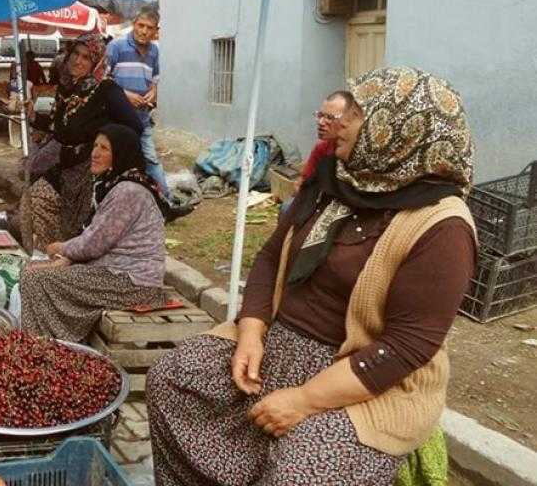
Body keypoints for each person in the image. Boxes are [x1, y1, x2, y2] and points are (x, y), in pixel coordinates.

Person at [146, 67, 477, 486]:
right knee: (172, 380)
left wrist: (304, 400)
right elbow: (269, 259)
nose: (337, 124)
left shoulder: (442, 227)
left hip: (361, 379)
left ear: (396, 130)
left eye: (355, 114)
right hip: (276, 343)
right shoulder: (336, 181)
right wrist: (250, 331)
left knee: (301, 469)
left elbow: (406, 348)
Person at [20, 124, 166, 341]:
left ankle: (46, 346)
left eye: (105, 148)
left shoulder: (128, 192)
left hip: (133, 283)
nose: (95, 153)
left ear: (121, 154)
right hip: (116, 273)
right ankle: (48, 341)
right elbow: (96, 237)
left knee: (34, 278)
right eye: (95, 146)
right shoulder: (116, 185)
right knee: (33, 271)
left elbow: (94, 244)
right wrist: (68, 258)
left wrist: (60, 248)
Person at [18, 33, 143, 253]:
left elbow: (135, 126)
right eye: (75, 53)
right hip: (66, 166)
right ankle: (43, 260)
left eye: (86, 57)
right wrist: (32, 115)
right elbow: (60, 129)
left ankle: (61, 264)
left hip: (89, 172)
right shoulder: (67, 88)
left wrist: (105, 144)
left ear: (96, 62)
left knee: (79, 227)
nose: (78, 60)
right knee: (32, 203)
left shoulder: (107, 90)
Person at [106, 7, 169, 199]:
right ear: (134, 24)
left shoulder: (154, 51)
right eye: (140, 25)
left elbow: (156, 78)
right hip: (117, 116)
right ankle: (111, 200)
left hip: (142, 117)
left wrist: (153, 92)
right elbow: (102, 78)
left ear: (156, 30)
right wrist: (124, 95)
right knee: (116, 158)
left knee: (150, 159)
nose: (144, 31)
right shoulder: (117, 46)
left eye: (149, 28)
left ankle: (166, 200)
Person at [297, 90, 351, 188]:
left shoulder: (362, 152)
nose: (321, 122)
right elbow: (302, 183)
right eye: (320, 115)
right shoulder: (322, 149)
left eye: (330, 117)